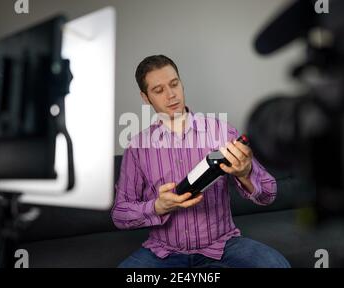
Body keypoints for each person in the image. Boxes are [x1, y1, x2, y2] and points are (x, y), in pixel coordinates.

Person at [111, 55, 290, 268]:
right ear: (145, 97)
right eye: (158, 90)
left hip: (223, 246)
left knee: (277, 266)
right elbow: (120, 215)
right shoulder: (137, 148)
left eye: (174, 84)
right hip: (163, 253)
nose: (171, 95)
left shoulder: (222, 132)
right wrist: (157, 206)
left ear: (181, 83)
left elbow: (269, 193)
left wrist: (245, 173)